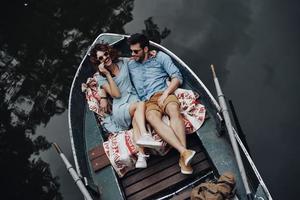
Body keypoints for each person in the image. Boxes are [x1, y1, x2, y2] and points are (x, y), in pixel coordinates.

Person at [127, 33, 196, 174]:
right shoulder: (130, 64)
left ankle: (184, 155)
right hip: (147, 102)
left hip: (163, 93)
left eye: (136, 51)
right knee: (152, 118)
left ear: (145, 49)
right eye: (131, 51)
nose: (132, 54)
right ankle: (184, 152)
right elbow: (114, 66)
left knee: (173, 110)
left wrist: (166, 93)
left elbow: (177, 77)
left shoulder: (160, 57)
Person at [89, 43, 160, 168]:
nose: (105, 58)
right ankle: (145, 135)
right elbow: (116, 94)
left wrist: (149, 54)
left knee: (136, 120)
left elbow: (137, 59)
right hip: (120, 108)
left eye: (106, 53)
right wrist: (106, 74)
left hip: (132, 100)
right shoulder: (101, 78)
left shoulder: (123, 62)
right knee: (140, 105)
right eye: (101, 58)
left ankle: (142, 157)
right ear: (98, 62)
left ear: (109, 52)